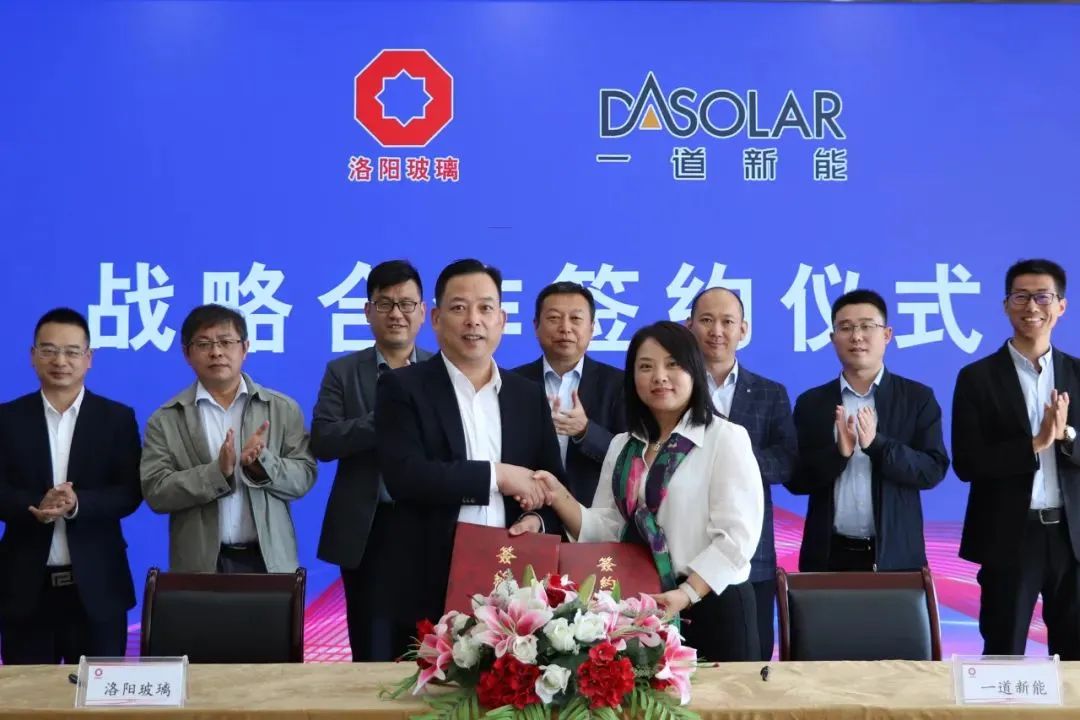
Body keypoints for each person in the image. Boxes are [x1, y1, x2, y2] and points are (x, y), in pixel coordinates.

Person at [541, 321, 763, 662]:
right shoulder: (623, 446)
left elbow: (737, 538)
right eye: (646, 367)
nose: (659, 377)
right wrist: (558, 495)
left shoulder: (724, 438)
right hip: (645, 606)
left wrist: (686, 594)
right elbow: (608, 527)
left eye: (672, 364)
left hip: (713, 603)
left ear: (694, 370)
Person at [376, 259, 565, 657]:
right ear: (436, 318)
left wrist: (538, 519)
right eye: (459, 307)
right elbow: (405, 476)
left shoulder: (526, 395)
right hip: (430, 577)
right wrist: (497, 476)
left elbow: (553, 482)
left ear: (502, 320)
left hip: (515, 584)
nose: (473, 320)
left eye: (485, 308)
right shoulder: (402, 387)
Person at [0, 308, 142, 663]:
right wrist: (36, 504)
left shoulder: (117, 418)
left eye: (71, 351)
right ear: (33, 356)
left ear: (88, 358)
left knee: (99, 694)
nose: (60, 361)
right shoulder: (7, 419)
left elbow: (130, 492)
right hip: (25, 589)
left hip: (98, 589)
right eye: (48, 350)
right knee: (28, 695)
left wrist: (78, 504)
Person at [954, 258, 1080, 657]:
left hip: (1072, 538)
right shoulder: (977, 377)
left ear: (1061, 305)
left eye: (1043, 297)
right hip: (1009, 536)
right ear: (1006, 305)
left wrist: (1066, 435)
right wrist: (1035, 443)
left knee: (1076, 658)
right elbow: (967, 463)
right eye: (1021, 297)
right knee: (1003, 653)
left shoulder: (1078, 374)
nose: (1031, 307)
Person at [312, 260, 434, 662]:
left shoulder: (441, 372)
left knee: (428, 646)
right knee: (371, 647)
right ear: (368, 311)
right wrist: (382, 420)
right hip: (367, 529)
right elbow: (324, 440)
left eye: (406, 304)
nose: (396, 314)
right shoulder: (343, 371)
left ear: (422, 312)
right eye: (385, 304)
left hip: (428, 525)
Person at [141, 304, 317, 573]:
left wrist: (262, 465)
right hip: (199, 566)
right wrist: (217, 473)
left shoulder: (282, 409)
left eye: (226, 342)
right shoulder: (166, 419)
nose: (216, 352)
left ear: (245, 348)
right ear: (187, 353)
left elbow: (304, 477)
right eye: (204, 344)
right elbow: (156, 492)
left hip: (269, 563)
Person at [787, 289, 949, 572]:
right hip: (828, 557)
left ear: (887, 334)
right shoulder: (812, 403)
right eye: (846, 328)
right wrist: (838, 455)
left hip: (896, 558)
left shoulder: (917, 398)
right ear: (833, 338)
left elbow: (932, 470)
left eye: (866, 326)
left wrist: (878, 445)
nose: (857, 336)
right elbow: (795, 480)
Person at [685, 287, 796, 661]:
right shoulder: (672, 389)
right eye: (706, 320)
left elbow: (786, 463)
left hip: (751, 556)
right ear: (689, 326)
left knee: (751, 665)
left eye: (727, 321)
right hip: (682, 556)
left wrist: (734, 459)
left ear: (743, 330)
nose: (717, 330)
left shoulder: (770, 393)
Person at [513, 281, 625, 504]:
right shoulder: (513, 383)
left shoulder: (619, 384)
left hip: (596, 514)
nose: (565, 328)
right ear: (536, 326)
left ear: (592, 328)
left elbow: (631, 460)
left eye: (575, 318)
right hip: (527, 509)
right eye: (554, 318)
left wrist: (586, 431)